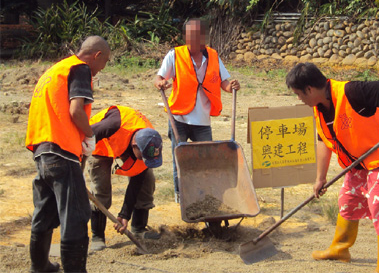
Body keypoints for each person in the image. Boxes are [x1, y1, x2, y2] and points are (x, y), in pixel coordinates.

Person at [285, 62, 379, 273]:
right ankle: (340, 249)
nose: (299, 99)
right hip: (357, 164)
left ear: (310, 89)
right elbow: (323, 140)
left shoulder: (350, 91)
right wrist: (320, 178)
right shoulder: (319, 108)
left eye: (298, 94)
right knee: (348, 201)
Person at [25, 36, 110, 273]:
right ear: (97, 56)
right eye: (105, 62)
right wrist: (89, 135)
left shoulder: (54, 71)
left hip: (42, 151)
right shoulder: (80, 69)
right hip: (62, 152)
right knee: (75, 215)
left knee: (45, 211)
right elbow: (76, 110)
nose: (102, 69)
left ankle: (39, 266)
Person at [154, 18, 240, 204]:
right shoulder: (175, 55)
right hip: (179, 117)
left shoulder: (213, 56)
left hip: (202, 120)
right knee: (180, 159)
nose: (194, 39)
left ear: (204, 37)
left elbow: (223, 81)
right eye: (190, 35)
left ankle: (205, 195)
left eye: (198, 35)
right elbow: (159, 77)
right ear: (185, 37)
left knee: (205, 160)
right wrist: (161, 83)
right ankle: (181, 197)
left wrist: (230, 86)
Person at [86, 105, 163, 252]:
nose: (143, 161)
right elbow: (85, 136)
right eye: (143, 158)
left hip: (123, 143)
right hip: (98, 144)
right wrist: (75, 161)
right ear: (134, 146)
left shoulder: (150, 139)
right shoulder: (112, 125)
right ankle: (98, 236)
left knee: (146, 180)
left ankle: (139, 229)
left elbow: (136, 183)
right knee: (101, 190)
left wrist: (124, 215)